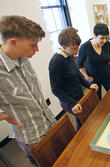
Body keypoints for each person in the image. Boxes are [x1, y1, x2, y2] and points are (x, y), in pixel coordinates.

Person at [0, 15, 56, 166]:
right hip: (32, 137)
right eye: (33, 45)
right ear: (13, 42)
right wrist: (5, 115)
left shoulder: (23, 58)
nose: (37, 50)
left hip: (50, 124)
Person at [49, 28, 98, 131]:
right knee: (82, 120)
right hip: (68, 101)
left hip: (78, 96)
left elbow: (77, 75)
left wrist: (89, 85)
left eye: (78, 47)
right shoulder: (56, 62)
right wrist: (72, 103)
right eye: (74, 48)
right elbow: (55, 89)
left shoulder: (69, 55)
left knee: (84, 119)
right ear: (63, 47)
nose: (77, 51)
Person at [77, 23, 110, 99]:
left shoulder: (107, 44)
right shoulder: (85, 47)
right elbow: (80, 65)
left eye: (106, 38)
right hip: (94, 78)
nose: (104, 41)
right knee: (97, 99)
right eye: (101, 38)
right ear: (94, 35)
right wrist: (86, 77)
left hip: (107, 75)